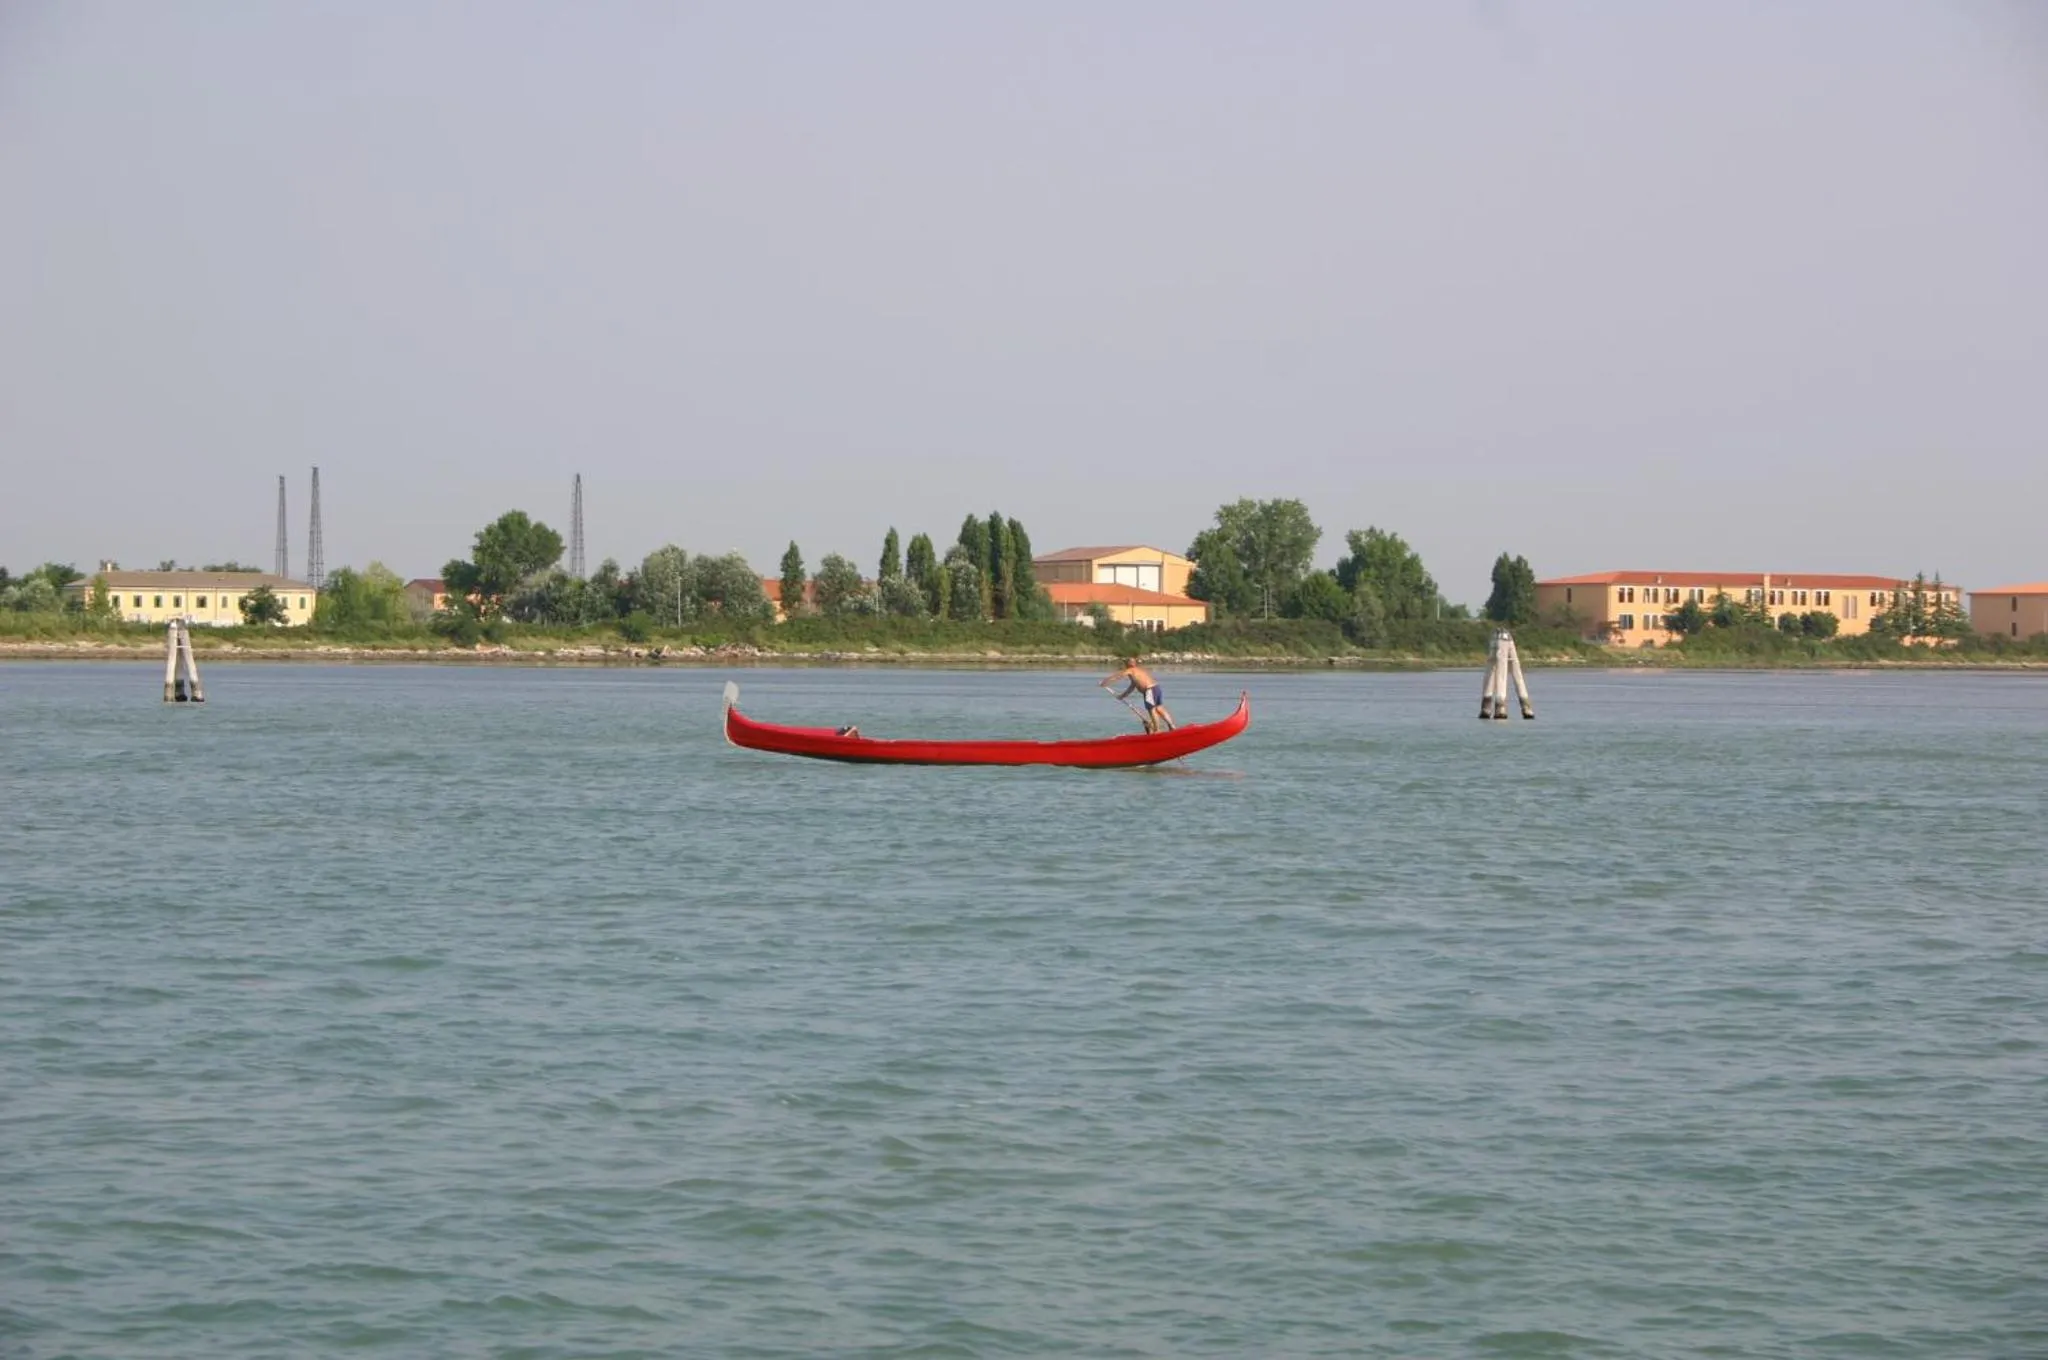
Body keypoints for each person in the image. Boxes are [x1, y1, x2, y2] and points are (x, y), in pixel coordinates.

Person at [1102, 656, 1175, 733]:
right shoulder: (1138, 671)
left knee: (1152, 709)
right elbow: (1132, 687)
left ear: (1130, 664)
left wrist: (1105, 681)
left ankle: (1157, 730)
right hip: (1156, 688)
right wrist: (1122, 696)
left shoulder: (1131, 670)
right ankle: (1172, 726)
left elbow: (1118, 676)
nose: (1127, 664)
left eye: (1128, 662)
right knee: (1159, 708)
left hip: (1149, 690)